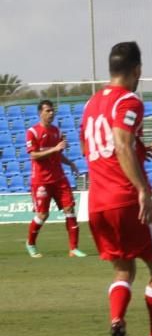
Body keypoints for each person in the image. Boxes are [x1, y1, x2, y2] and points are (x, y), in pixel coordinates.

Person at [81, 41, 152, 336]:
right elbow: (120, 144)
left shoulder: (91, 104)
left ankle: (116, 321)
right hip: (127, 199)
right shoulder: (130, 101)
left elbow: (98, 146)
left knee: (123, 268)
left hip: (97, 201)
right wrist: (142, 189)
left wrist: (140, 146)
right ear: (137, 70)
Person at [24, 99, 85, 258]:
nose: (51, 113)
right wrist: (55, 149)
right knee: (43, 215)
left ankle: (73, 248)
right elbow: (34, 155)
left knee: (70, 210)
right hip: (41, 181)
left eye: (52, 110)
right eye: (48, 111)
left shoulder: (57, 131)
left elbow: (58, 153)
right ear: (40, 113)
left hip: (59, 178)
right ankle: (30, 243)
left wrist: (70, 163)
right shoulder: (33, 132)